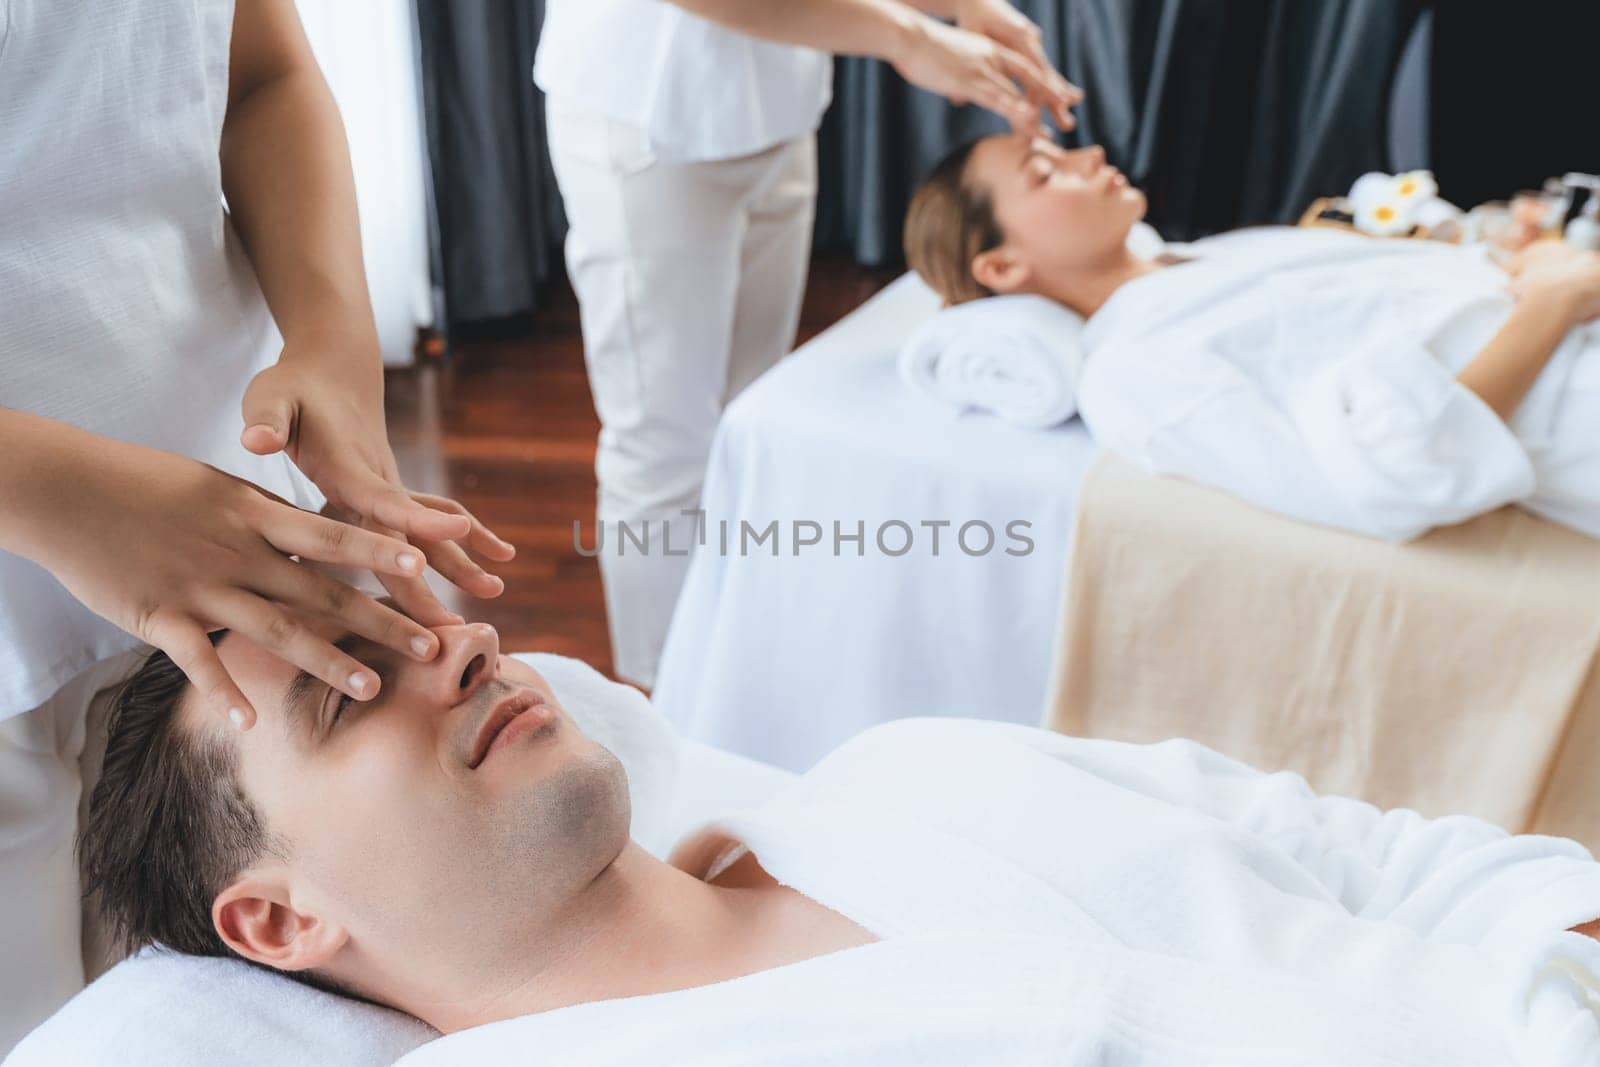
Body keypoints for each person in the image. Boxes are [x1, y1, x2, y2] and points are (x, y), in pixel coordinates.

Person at [73, 607, 1600, 1062]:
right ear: (275, 920)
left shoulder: (919, 767)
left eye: (416, 621)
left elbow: (1391, 860)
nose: (462, 648)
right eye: (350, 692)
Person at [0, 0, 511, 1050]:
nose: (479, 649)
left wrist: (331, 336)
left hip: (234, 531)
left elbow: (261, 73)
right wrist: (55, 489)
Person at [535, 0, 1082, 686]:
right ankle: (662, 697)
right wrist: (907, 38)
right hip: (650, 122)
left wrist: (959, 6)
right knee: (664, 449)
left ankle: (732, 662)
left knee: (747, 422)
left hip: (776, 108)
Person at [902, 133, 1600, 543]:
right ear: (1001, 266)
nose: (1088, 153)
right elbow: (1395, 473)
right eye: (1046, 172)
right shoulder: (1132, 372)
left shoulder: (1217, 257)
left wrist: (1528, 265)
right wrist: (1551, 305)